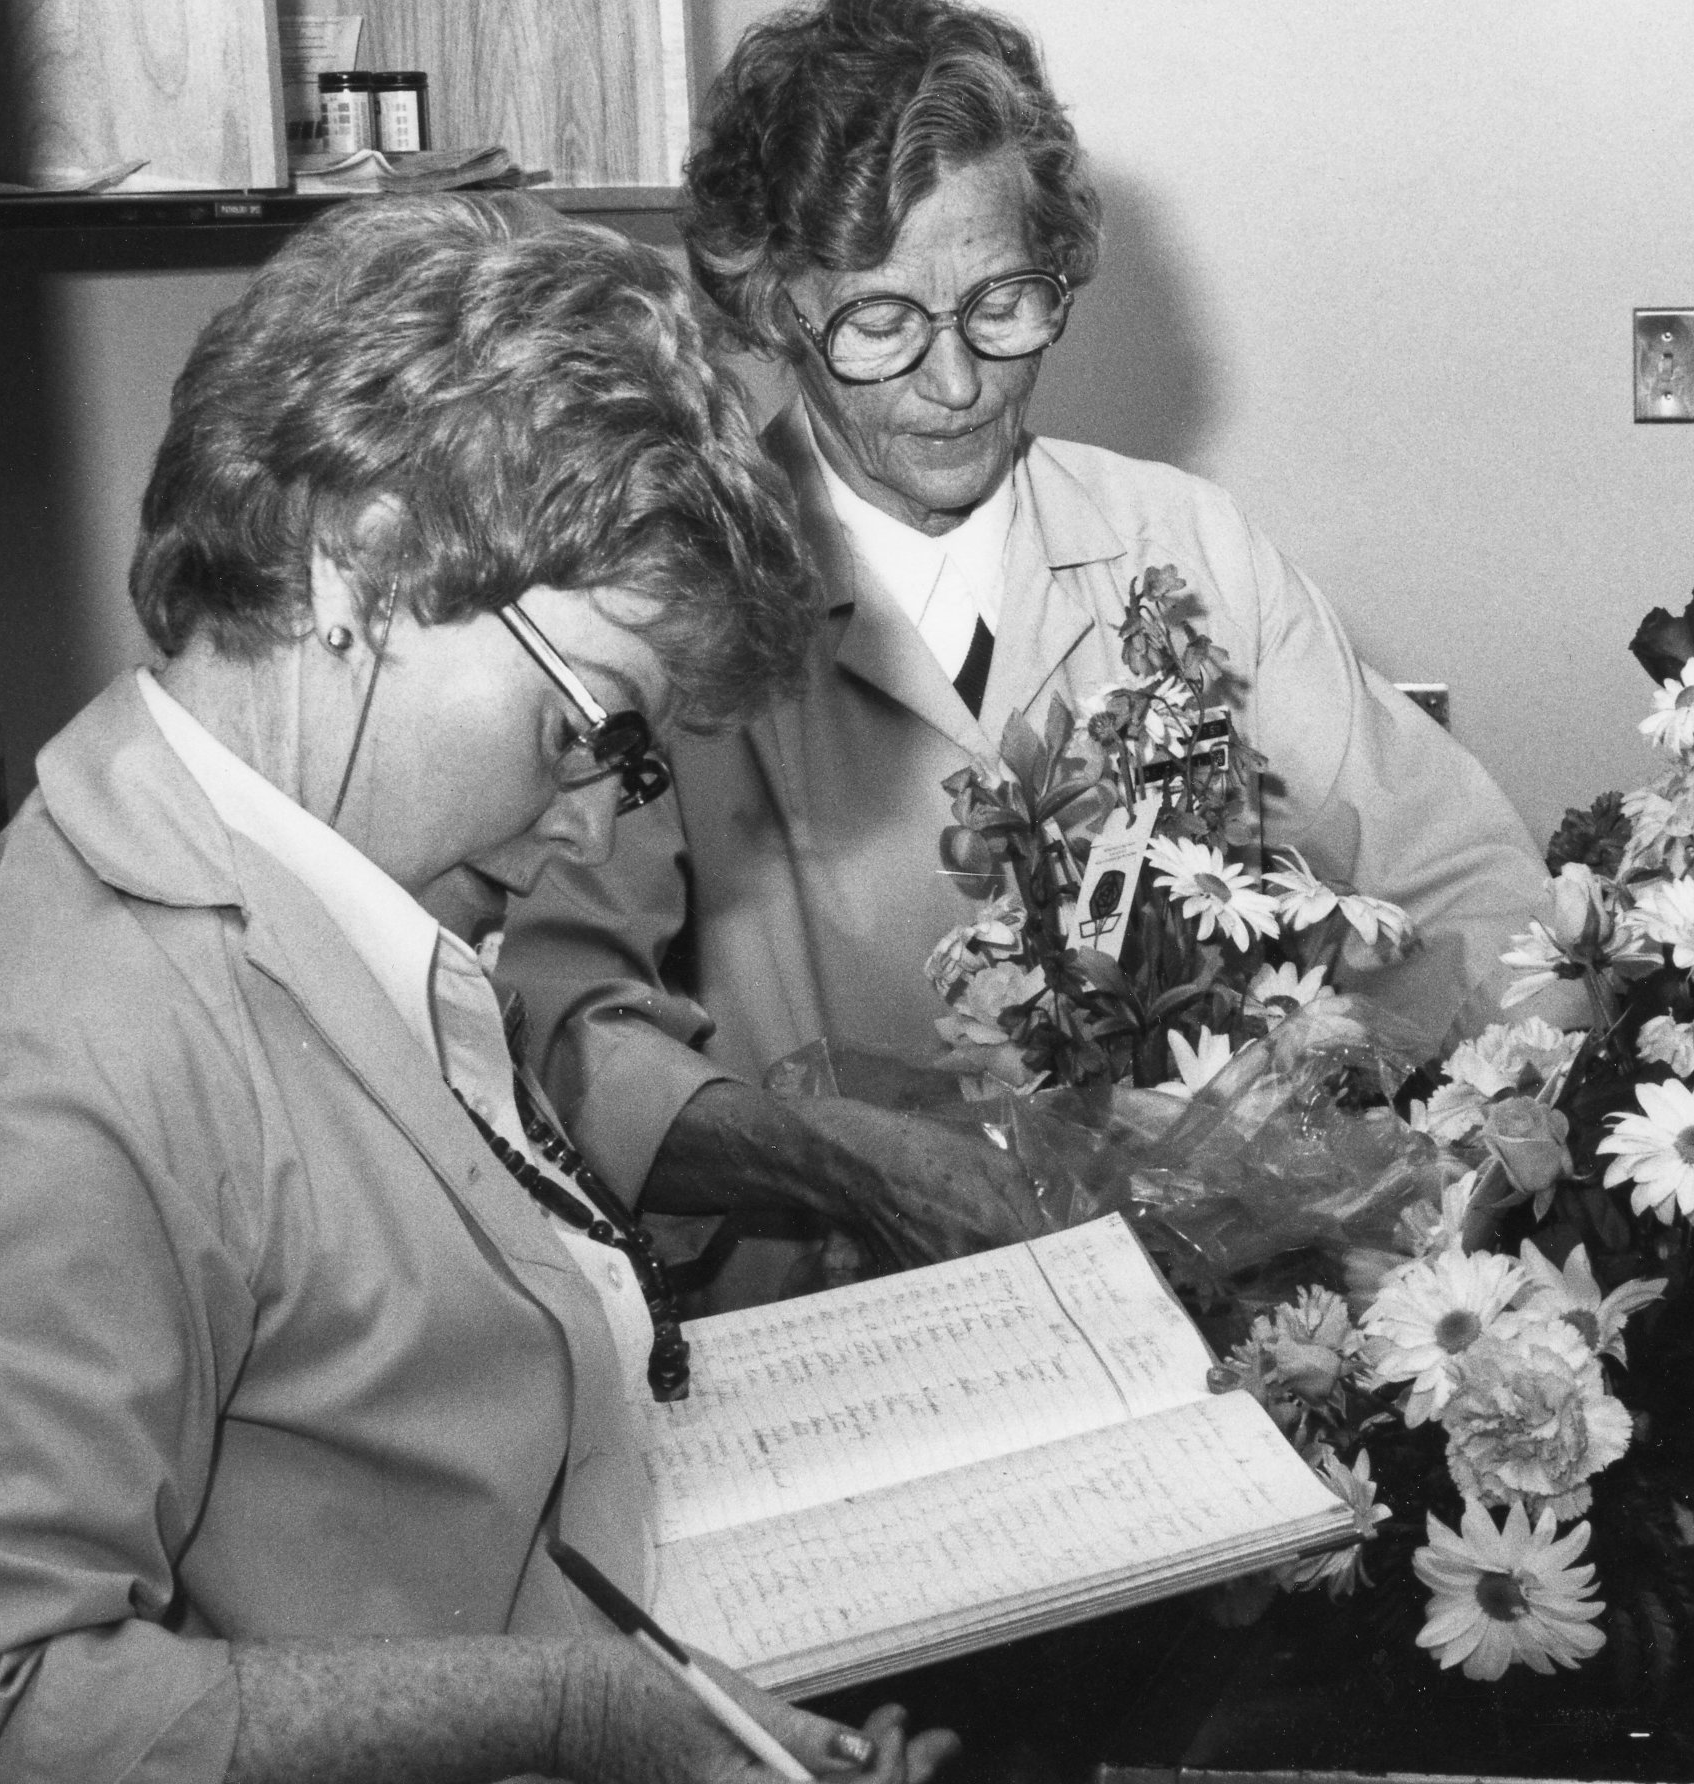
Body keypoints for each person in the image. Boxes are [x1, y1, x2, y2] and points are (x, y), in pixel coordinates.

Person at [0, 194, 957, 1784]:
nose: (594, 819)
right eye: (585, 724)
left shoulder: (321, 899)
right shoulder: (60, 1057)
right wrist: (569, 1713)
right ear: (364, 563)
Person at [498, 0, 1556, 1297]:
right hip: (840, 1334)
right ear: (774, 307)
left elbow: (1468, 885)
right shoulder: (666, 595)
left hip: (1204, 1310)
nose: (956, 382)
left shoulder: (1186, 547)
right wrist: (834, 1162)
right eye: (879, 323)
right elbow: (555, 1022)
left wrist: (1469, 1162)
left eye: (1001, 301)